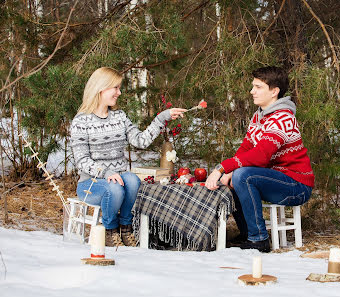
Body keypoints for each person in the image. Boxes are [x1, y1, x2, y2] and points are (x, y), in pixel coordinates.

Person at [70, 67, 186, 247]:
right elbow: (82, 160)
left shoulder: (119, 117)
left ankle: (126, 227)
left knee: (132, 180)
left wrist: (162, 118)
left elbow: (141, 141)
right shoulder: (81, 121)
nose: (119, 92)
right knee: (115, 188)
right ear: (101, 88)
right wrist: (106, 172)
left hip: (118, 179)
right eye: (115, 88)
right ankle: (110, 230)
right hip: (91, 184)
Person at [205, 66, 314, 252]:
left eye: (258, 87)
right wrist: (229, 171)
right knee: (235, 176)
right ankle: (249, 234)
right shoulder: (259, 117)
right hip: (274, 179)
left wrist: (221, 168)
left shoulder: (283, 118)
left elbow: (261, 156)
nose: (252, 91)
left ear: (274, 91)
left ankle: (259, 240)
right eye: (253, 86)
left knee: (243, 176)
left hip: (297, 185)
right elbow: (246, 149)